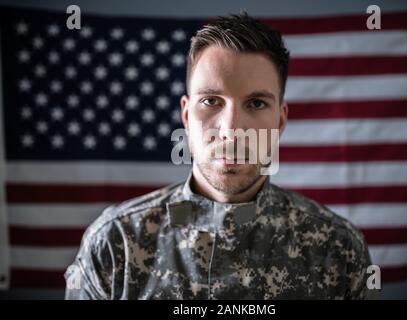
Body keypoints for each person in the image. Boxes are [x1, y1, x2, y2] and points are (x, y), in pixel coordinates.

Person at [65, 13, 376, 299]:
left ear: (280, 121)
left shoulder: (338, 249)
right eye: (212, 101)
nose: (231, 130)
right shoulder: (114, 243)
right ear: (186, 116)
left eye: (255, 104)